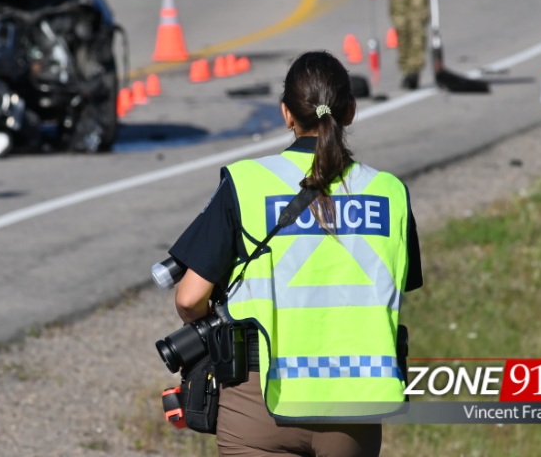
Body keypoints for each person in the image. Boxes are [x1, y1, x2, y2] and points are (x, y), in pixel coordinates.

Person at [168, 51, 423, 457]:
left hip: (261, 398)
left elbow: (189, 297)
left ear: (287, 114)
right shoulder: (390, 192)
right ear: (351, 111)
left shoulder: (247, 183)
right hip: (356, 401)